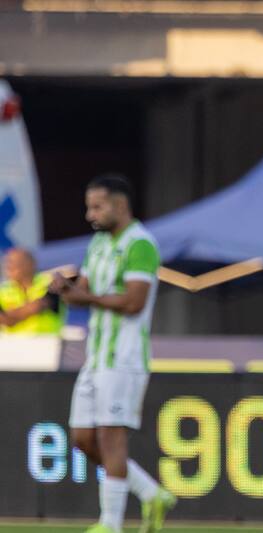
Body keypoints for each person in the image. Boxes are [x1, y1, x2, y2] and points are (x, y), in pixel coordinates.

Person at [49, 175, 175, 533]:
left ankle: (111, 524)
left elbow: (134, 302)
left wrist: (83, 297)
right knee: (82, 439)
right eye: (89, 206)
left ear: (120, 205)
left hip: (125, 358)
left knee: (110, 437)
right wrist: (67, 287)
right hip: (97, 357)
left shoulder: (141, 245)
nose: (91, 214)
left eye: (97, 206)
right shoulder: (99, 244)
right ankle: (151, 492)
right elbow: (86, 290)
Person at [0, 248, 62, 334]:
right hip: (13, 344)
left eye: (15, 262)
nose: (9, 267)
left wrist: (9, 316)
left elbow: (38, 306)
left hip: (48, 342)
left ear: (30, 264)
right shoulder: (3, 290)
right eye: (8, 263)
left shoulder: (49, 282)